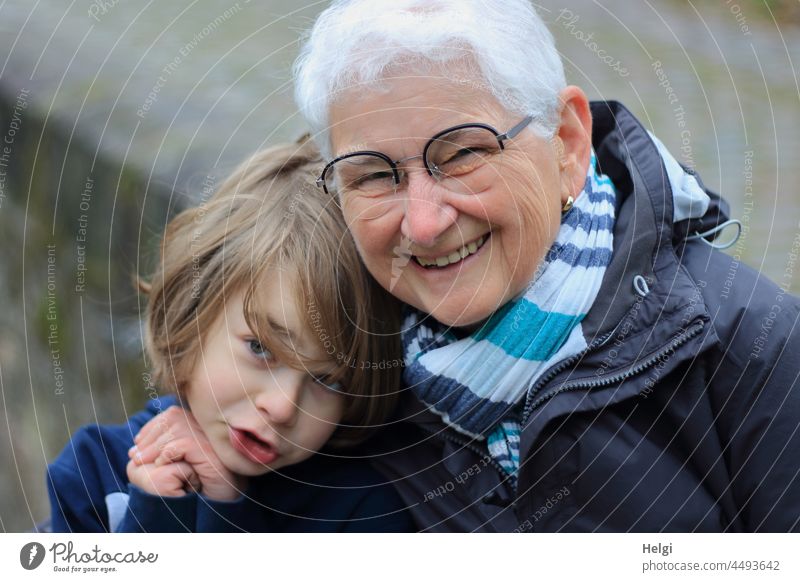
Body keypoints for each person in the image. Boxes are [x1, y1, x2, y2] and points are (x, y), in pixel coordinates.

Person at [293, 0, 800, 531]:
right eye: (373, 175)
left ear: (567, 145)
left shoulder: (753, 349)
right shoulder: (345, 355)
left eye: (464, 153)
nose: (423, 225)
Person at [46, 141, 413, 532]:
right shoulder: (92, 473)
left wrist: (223, 508)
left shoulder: (366, 514)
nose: (283, 407)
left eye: (329, 380)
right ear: (191, 312)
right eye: (261, 349)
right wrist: (159, 511)